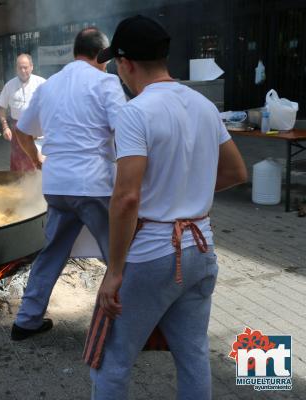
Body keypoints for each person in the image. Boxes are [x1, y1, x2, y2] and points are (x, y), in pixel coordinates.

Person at [84, 16, 248, 399]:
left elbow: (126, 197)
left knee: (112, 360)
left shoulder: (136, 112)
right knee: (192, 356)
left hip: (154, 256)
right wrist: (185, 196)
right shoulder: (204, 106)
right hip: (201, 248)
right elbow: (237, 171)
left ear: (126, 64)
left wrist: (114, 272)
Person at [10, 28, 126, 340]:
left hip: (57, 184)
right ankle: (133, 325)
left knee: (52, 252)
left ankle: (26, 321)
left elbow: (22, 130)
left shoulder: (50, 86)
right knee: (118, 254)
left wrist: (35, 157)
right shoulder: (106, 82)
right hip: (93, 184)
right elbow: (125, 130)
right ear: (101, 56)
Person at [0, 54, 46, 171]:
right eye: (20, 68)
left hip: (37, 130)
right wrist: (5, 127)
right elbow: (1, 107)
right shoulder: (9, 85)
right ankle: (18, 186)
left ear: (32, 67)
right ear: (16, 68)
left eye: (25, 67)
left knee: (38, 163)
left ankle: (38, 187)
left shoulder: (42, 83)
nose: (23, 71)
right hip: (17, 131)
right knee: (18, 165)